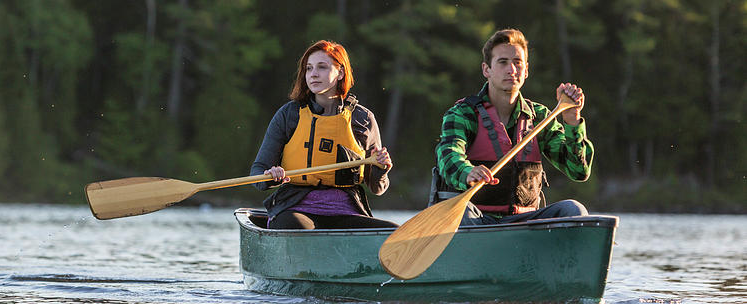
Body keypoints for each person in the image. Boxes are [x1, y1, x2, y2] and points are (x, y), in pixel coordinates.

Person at [433, 28, 594, 225]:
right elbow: (448, 156)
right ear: (486, 70)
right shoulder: (462, 114)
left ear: (526, 70)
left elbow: (578, 171)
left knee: (574, 209)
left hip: (523, 222)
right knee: (461, 212)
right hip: (476, 219)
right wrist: (467, 172)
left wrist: (572, 120)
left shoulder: (541, 117)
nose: (512, 70)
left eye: (517, 62)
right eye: (503, 62)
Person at [250, 39, 398, 229]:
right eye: (309, 68)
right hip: (295, 208)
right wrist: (270, 176)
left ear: (341, 72)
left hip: (346, 210)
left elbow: (378, 188)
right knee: (297, 228)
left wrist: (381, 170)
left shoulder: (363, 118)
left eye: (322, 67)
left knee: (393, 233)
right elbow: (258, 174)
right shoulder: (289, 115)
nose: (313, 74)